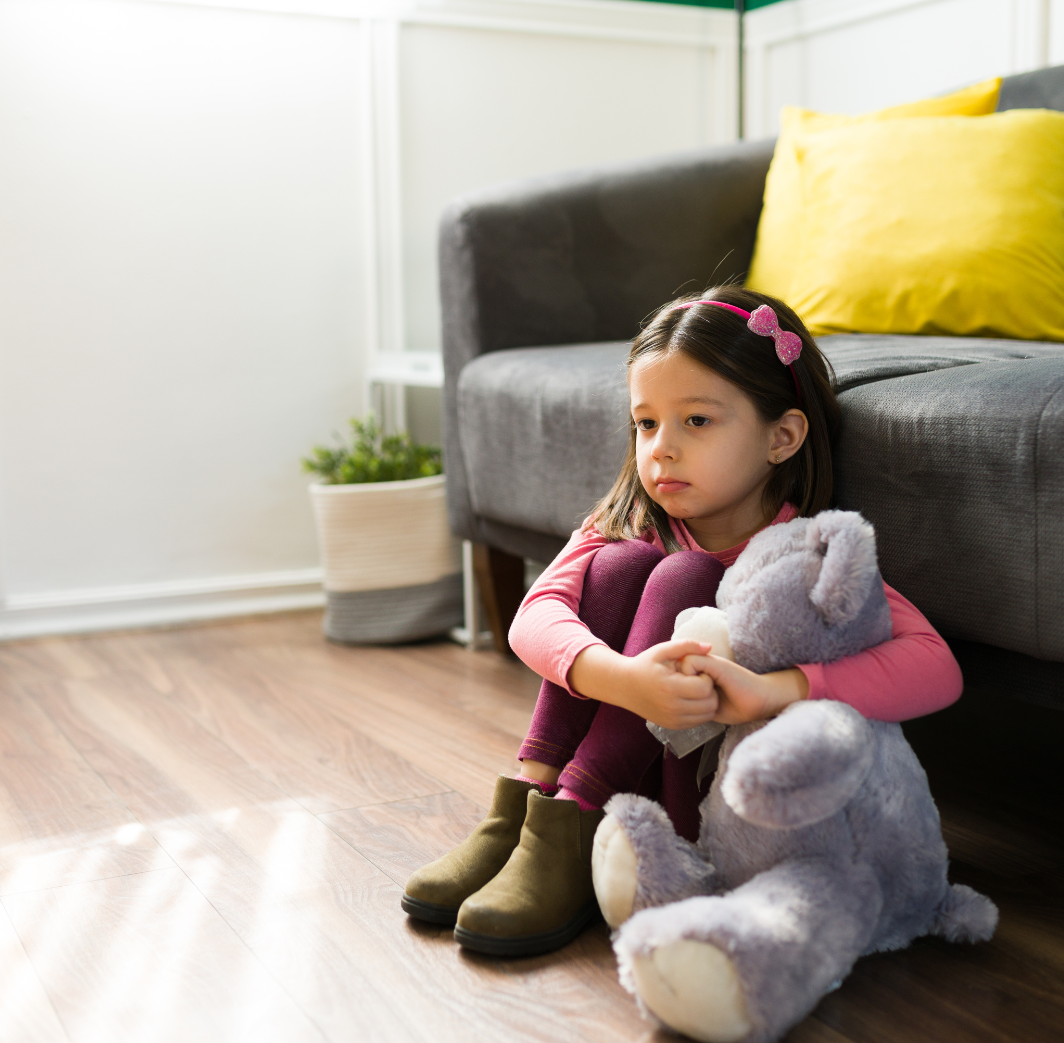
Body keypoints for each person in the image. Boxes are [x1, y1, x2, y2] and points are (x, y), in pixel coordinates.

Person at [401, 285, 963, 957]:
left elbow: (936, 664)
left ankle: (578, 817)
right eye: (646, 423)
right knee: (612, 568)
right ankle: (532, 803)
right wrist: (623, 679)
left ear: (782, 437)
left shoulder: (798, 556)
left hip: (697, 804)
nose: (660, 449)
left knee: (687, 578)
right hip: (603, 767)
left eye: (696, 421)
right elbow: (535, 616)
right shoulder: (633, 520)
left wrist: (781, 687)